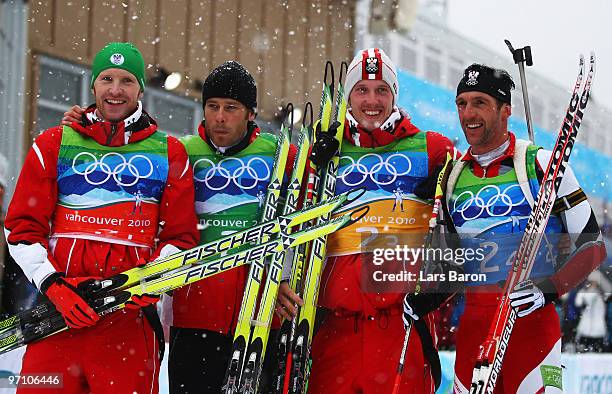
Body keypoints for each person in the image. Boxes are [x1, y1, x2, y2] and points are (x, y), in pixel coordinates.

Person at [4, 42, 199, 393]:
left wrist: (147, 281)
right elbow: (21, 228)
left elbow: (181, 238)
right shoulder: (54, 143)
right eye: (107, 78)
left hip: (128, 321)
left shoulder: (169, 153)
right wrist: (52, 284)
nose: (115, 90)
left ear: (141, 88)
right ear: (93, 86)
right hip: (58, 316)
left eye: (126, 80)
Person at [402, 63, 607, 393]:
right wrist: (428, 299)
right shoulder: (452, 178)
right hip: (474, 336)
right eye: (462, 103)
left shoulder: (540, 165)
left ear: (506, 109)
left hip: (532, 336)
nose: (469, 112)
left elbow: (593, 246)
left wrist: (548, 289)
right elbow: (457, 267)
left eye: (480, 102)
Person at [276, 48, 458, 393]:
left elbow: (464, 222)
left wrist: (436, 292)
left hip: (400, 326)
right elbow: (286, 217)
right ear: (348, 95)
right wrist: (282, 278)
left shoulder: (432, 149)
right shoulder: (323, 150)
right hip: (331, 325)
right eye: (361, 89)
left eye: (382, 90)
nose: (371, 100)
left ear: (395, 94)